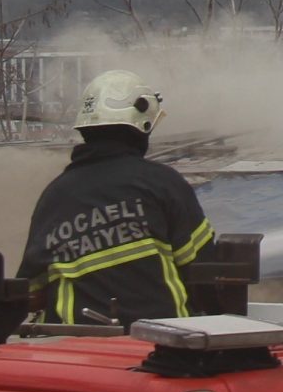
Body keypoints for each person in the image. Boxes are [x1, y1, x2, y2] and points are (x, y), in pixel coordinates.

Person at [17, 68, 214, 324]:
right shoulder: (162, 183)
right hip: (163, 350)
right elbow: (205, 273)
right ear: (142, 126)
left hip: (70, 353)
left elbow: (29, 289)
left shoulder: (54, 196)